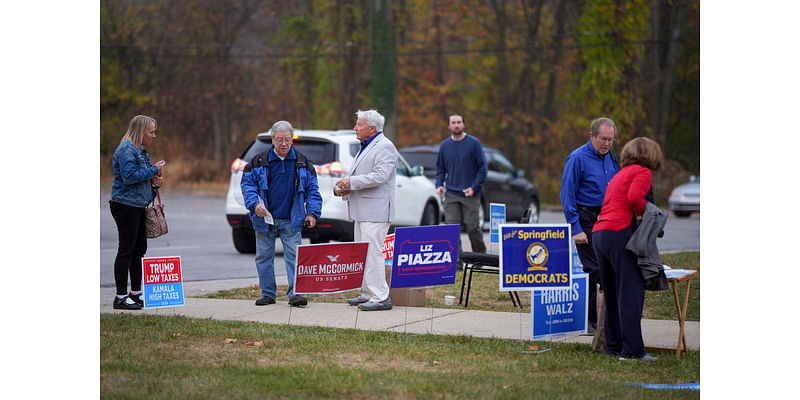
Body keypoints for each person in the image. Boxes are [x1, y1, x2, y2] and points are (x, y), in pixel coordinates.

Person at [592, 137, 663, 362]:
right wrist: (649, 213)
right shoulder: (642, 172)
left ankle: (614, 346)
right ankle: (632, 351)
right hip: (620, 232)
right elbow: (634, 198)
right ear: (650, 154)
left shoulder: (619, 174)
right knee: (630, 293)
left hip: (600, 233)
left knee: (612, 293)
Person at [241, 120, 322, 307]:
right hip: (264, 219)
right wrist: (254, 205)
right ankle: (268, 294)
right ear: (272, 139)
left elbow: (313, 191)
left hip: (292, 219)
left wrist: (312, 213)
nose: (283, 144)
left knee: (295, 256)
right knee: (263, 256)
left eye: (287, 140)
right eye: (279, 140)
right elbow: (247, 186)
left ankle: (296, 294)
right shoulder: (258, 162)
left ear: (292, 139)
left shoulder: (303, 163)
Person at [559, 117, 619, 333]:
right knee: (595, 270)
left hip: (608, 218)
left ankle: (607, 319)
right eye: (603, 139)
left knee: (609, 269)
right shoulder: (577, 158)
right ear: (591, 136)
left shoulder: (611, 157)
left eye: (611, 140)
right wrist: (576, 228)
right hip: (585, 218)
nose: (607, 143)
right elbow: (567, 194)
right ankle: (591, 321)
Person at [334, 109, 396, 311]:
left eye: (359, 124)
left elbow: (379, 176)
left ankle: (380, 297)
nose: (355, 128)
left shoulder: (385, 146)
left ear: (372, 128)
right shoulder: (366, 146)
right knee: (363, 254)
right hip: (363, 211)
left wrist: (350, 181)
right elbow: (363, 176)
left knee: (373, 254)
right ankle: (368, 293)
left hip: (376, 212)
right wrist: (344, 189)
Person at [109, 115, 166, 310]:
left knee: (139, 250)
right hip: (125, 205)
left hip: (137, 205)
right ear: (140, 131)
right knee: (126, 249)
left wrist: (154, 183)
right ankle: (120, 297)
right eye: (151, 131)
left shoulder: (141, 152)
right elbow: (129, 177)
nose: (154, 135)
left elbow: (140, 180)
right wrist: (152, 170)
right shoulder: (126, 150)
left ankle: (135, 293)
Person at [435, 114, 488, 261]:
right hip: (451, 194)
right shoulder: (445, 146)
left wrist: (474, 187)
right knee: (451, 230)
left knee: (472, 227)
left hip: (470, 194)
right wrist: (439, 184)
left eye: (459, 122)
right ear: (449, 126)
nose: (456, 125)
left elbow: (482, 169)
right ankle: (456, 263)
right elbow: (440, 168)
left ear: (463, 125)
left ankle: (480, 259)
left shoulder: (474, 144)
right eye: (453, 122)